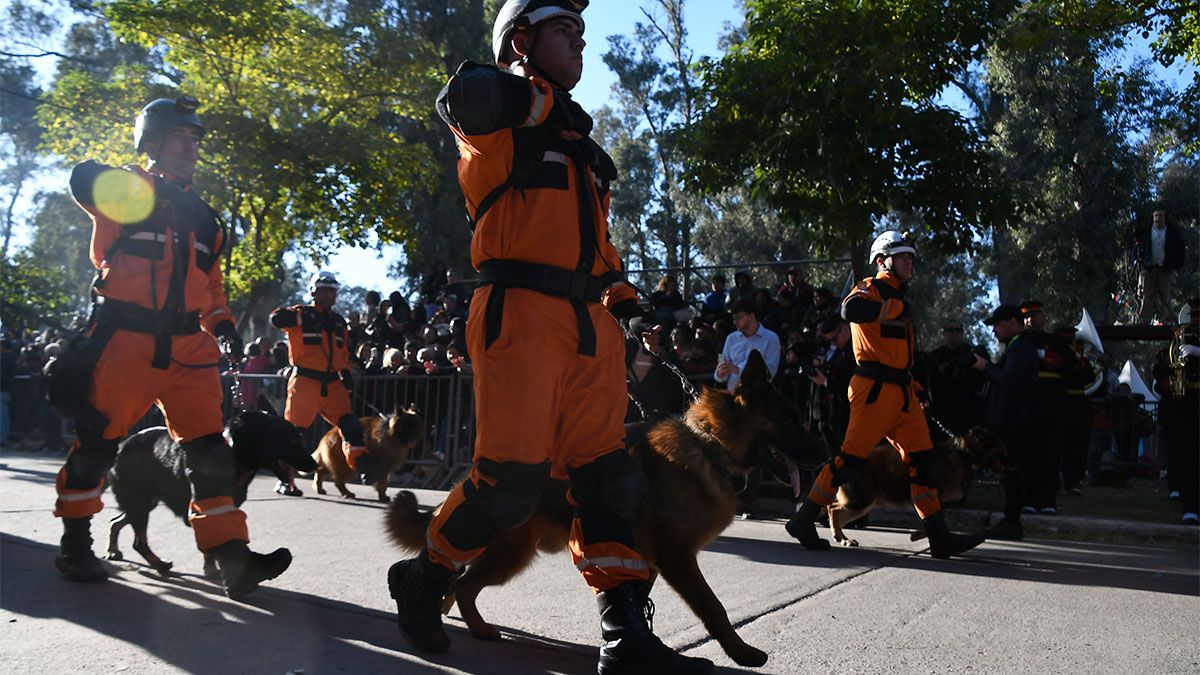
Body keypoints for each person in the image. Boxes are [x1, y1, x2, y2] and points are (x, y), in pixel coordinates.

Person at [388, 2, 711, 672]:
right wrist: (533, 95)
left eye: (582, 33)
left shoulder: (584, 149)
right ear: (522, 40)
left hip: (589, 324)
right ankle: (425, 576)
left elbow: (599, 241)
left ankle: (625, 638)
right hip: (519, 310)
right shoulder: (503, 116)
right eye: (565, 31)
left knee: (610, 483)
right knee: (509, 484)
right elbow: (462, 97)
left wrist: (626, 301)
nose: (580, 42)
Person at [51, 95, 290, 596]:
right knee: (98, 444)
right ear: (153, 143)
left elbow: (213, 289)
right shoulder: (132, 188)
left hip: (189, 347)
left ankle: (231, 557)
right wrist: (113, 175)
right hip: (125, 339)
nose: (192, 147)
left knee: (211, 453)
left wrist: (224, 325)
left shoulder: (207, 219)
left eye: (196, 139)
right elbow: (81, 181)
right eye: (181, 137)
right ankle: (75, 542)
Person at [785, 231, 986, 558]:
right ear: (883, 261)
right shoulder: (871, 288)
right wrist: (890, 307)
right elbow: (849, 310)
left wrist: (915, 385)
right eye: (903, 256)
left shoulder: (900, 300)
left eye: (911, 257)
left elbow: (900, 352)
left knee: (923, 463)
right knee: (849, 462)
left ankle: (939, 537)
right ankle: (804, 518)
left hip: (903, 393)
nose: (910, 263)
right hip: (874, 391)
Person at [270, 271, 371, 496]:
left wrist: (346, 374)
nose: (328, 295)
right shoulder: (302, 313)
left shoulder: (338, 321)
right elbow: (276, 319)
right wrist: (299, 317)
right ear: (313, 291)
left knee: (351, 425)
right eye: (323, 290)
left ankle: (363, 468)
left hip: (333, 383)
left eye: (332, 291)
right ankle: (285, 481)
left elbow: (342, 353)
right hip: (305, 382)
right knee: (293, 435)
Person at [971, 304, 1038, 540]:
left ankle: (1012, 521)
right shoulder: (1016, 347)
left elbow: (1008, 379)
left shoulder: (1021, 348)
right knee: (1007, 471)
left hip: (1013, 423)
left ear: (1012, 322)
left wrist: (985, 366)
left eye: (997, 325)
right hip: (1008, 421)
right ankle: (1010, 520)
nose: (995, 331)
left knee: (1010, 471)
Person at [1020, 299, 1074, 514]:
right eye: (1026, 317)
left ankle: (1048, 500)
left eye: (1034, 315)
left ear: (1043, 318)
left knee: (1050, 454)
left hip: (1051, 405)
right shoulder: (1020, 341)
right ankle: (1029, 499)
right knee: (1029, 454)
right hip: (1028, 405)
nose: (1030, 320)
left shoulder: (1057, 341)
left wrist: (1045, 356)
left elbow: (1069, 364)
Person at [925, 320, 986, 436]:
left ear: (962, 333)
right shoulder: (934, 357)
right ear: (944, 333)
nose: (954, 333)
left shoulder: (973, 355)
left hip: (969, 413)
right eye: (950, 330)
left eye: (957, 330)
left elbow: (982, 379)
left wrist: (961, 375)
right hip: (942, 413)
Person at [715, 298, 781, 391]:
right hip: (733, 395)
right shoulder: (731, 338)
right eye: (733, 318)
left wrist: (738, 370)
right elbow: (723, 371)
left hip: (758, 398)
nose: (735, 321)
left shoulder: (771, 338)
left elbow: (770, 372)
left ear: (752, 316)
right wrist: (720, 373)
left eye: (738, 317)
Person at [1135, 209, 1185, 323]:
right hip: (1150, 268)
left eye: (1160, 216)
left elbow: (1180, 248)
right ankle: (1143, 320)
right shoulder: (1147, 231)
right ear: (1153, 217)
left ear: (1164, 217)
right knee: (1147, 295)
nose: (1158, 218)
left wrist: (1176, 264)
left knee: (1166, 295)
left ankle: (1167, 320)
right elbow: (1139, 247)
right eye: (1156, 216)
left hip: (1165, 268)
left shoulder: (1171, 232)